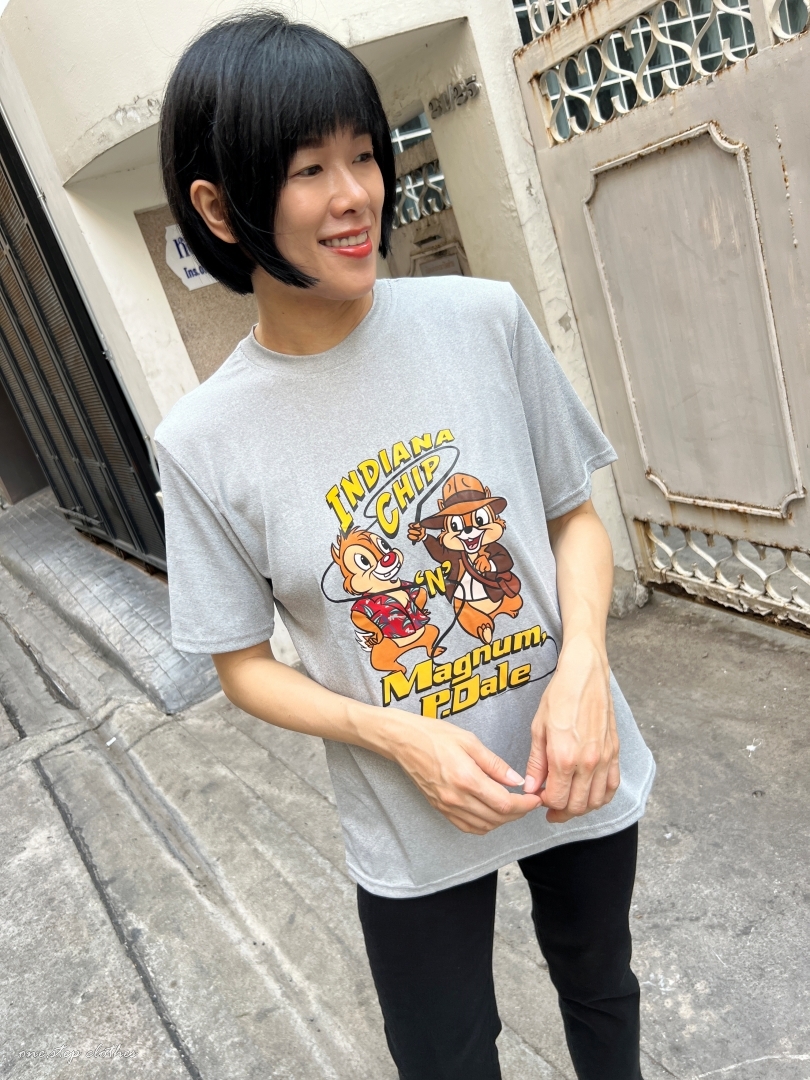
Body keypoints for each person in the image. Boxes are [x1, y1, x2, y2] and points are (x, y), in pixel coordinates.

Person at [155, 12, 655, 1080]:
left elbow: (572, 515)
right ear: (219, 205)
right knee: (443, 1056)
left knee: (602, 988)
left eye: (364, 154)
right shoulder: (202, 441)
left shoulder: (484, 321)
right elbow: (240, 664)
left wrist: (584, 671)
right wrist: (399, 737)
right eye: (309, 169)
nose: (356, 195)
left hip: (574, 755)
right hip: (409, 812)